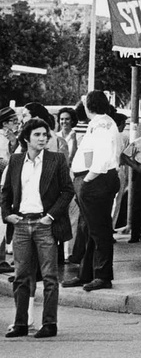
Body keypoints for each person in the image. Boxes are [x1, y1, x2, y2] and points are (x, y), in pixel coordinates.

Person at [2, 118, 74, 339]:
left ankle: (49, 323)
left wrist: (51, 216)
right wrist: (8, 216)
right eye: (38, 135)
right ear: (26, 138)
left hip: (45, 224)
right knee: (21, 276)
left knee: (50, 276)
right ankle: (20, 323)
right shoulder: (15, 161)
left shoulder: (56, 159)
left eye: (45, 135)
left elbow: (67, 191)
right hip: (21, 223)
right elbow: (5, 193)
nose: (43, 138)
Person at [62, 91, 123, 292]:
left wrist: (87, 180)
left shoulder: (102, 125)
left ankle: (103, 275)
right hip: (93, 180)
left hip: (95, 180)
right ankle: (86, 273)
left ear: (89, 105)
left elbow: (103, 157)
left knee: (99, 231)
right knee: (88, 230)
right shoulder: (100, 123)